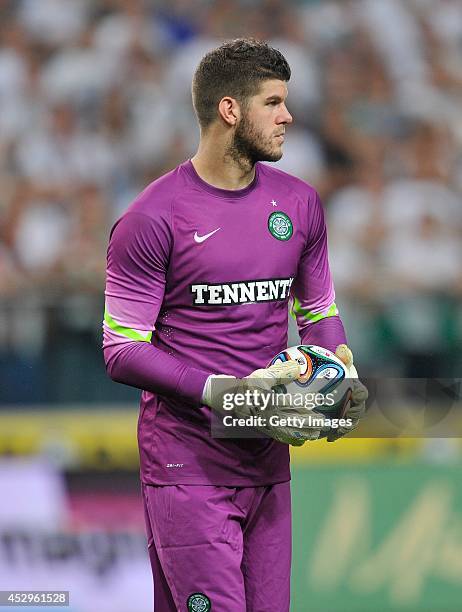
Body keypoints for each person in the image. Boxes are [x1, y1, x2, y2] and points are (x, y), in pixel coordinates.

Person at [103, 38, 366, 612]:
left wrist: (339, 375)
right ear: (230, 110)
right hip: (187, 466)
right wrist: (225, 394)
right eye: (273, 102)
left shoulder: (299, 205)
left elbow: (318, 312)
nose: (288, 116)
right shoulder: (151, 218)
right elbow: (121, 350)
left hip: (269, 464)